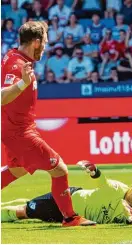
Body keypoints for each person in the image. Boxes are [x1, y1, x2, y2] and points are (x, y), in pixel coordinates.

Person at [1, 21, 96, 227]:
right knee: (59, 169)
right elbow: (1, 97)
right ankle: (70, 218)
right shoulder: (16, 65)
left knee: (17, 170)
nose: (45, 47)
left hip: (16, 127)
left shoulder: (17, 58)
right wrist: (22, 83)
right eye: (44, 43)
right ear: (35, 42)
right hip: (19, 131)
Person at [1, 160, 132, 224]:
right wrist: (95, 171)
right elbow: (103, 181)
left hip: (72, 218)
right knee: (24, 212)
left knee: (30, 209)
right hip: (67, 199)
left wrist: (131, 218)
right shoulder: (117, 188)